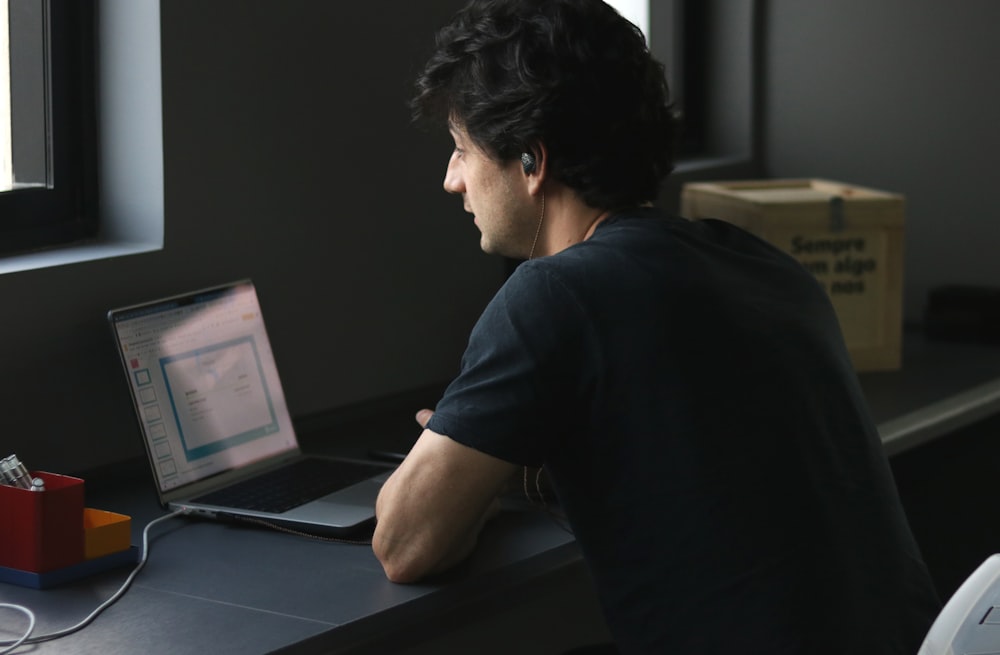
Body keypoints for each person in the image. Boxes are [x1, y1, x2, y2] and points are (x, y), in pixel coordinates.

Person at [371, 0, 941, 652]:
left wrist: (468, 469)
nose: (452, 181)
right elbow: (691, 453)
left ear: (531, 161)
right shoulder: (763, 267)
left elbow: (405, 542)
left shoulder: (554, 293)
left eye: (461, 149)